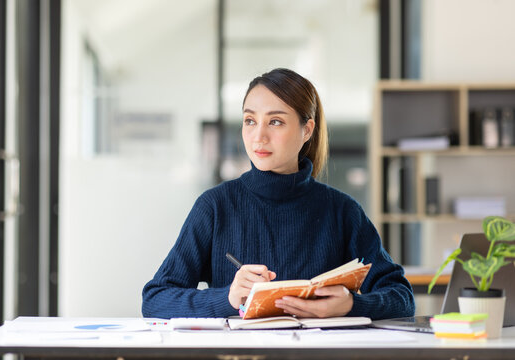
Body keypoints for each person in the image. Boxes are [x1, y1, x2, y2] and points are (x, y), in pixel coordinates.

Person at [142, 68, 415, 320]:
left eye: (275, 122)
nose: (258, 136)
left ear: (306, 130)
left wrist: (352, 305)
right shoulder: (215, 206)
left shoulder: (342, 211)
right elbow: (155, 299)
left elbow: (402, 298)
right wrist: (227, 297)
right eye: (250, 120)